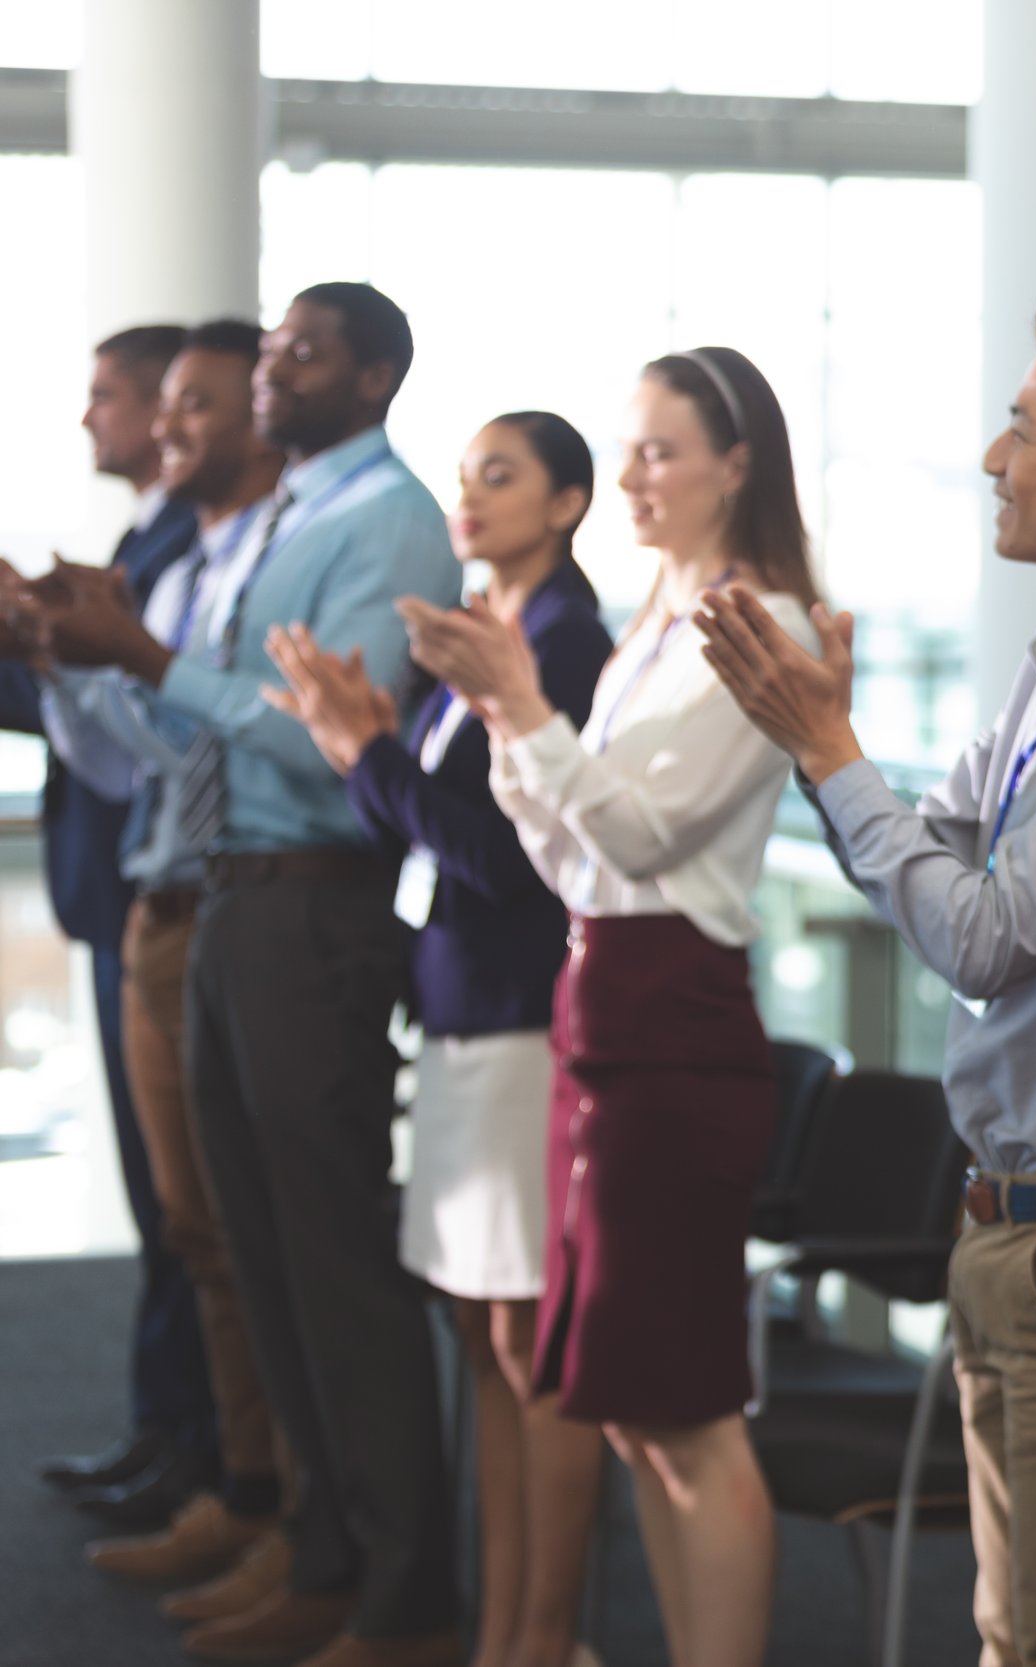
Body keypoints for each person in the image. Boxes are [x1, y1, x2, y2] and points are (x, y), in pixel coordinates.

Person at [695, 291, 1036, 1667]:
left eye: (1021, 428)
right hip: (1015, 1225)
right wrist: (847, 760)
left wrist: (832, 753)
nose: (997, 461)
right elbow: (942, 845)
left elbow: (982, 934)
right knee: (1016, 1629)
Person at [31, 280, 467, 1667]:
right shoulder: (291, 515)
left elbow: (322, 733)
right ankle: (320, 1550)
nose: (274, 368)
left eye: (303, 353)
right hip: (232, 897)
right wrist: (109, 650)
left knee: (333, 1262)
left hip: (314, 906)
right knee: (263, 1257)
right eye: (271, 347)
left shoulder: (384, 520)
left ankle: (403, 1596)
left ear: (378, 375)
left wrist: (150, 651)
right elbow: (215, 725)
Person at [406, 348, 817, 1667]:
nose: (634, 474)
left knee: (687, 1407)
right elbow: (565, 851)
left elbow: (633, 838)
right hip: (605, 1010)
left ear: (737, 463)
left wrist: (520, 710)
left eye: (659, 450)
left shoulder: (766, 622)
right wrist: (523, 725)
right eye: (629, 449)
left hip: (676, 1022)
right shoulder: (655, 617)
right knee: (636, 1407)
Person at [267, 411, 613, 1667]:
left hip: (525, 1016)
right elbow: (429, 828)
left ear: (568, 502)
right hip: (465, 1008)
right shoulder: (487, 639)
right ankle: (499, 1630)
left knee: (531, 1352)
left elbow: (499, 853)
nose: (466, 494)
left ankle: (541, 1634)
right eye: (464, 472)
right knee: (482, 1337)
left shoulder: (565, 642)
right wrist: (369, 744)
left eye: (501, 474)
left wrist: (361, 749)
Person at [35, 320, 292, 1598]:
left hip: (245, 898)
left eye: (193, 402)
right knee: (191, 1221)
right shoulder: (194, 551)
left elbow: (215, 730)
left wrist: (89, 653)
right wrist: (61, 653)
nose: (152, 425)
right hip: (161, 891)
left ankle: (268, 1500)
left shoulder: (262, 546)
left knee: (241, 1229)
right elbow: (154, 732)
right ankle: (225, 1476)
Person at [0, 323, 217, 1529]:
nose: (99, 419)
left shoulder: (185, 540)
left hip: (168, 891)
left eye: (113, 396)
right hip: (126, 890)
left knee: (187, 1205)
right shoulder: (151, 538)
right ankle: (170, 1430)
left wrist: (42, 646)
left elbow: (150, 728)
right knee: (164, 1200)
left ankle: (200, 1448)